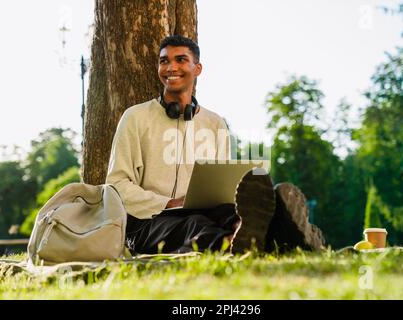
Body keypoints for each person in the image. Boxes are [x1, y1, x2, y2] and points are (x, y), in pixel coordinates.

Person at [106, 35, 324, 255]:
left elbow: (224, 186)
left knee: (231, 214)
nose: (171, 67)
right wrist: (169, 202)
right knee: (195, 225)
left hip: (205, 213)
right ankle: (247, 243)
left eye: (180, 60)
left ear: (197, 68)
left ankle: (270, 228)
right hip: (146, 222)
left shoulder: (214, 123)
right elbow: (116, 183)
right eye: (164, 61)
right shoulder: (135, 117)